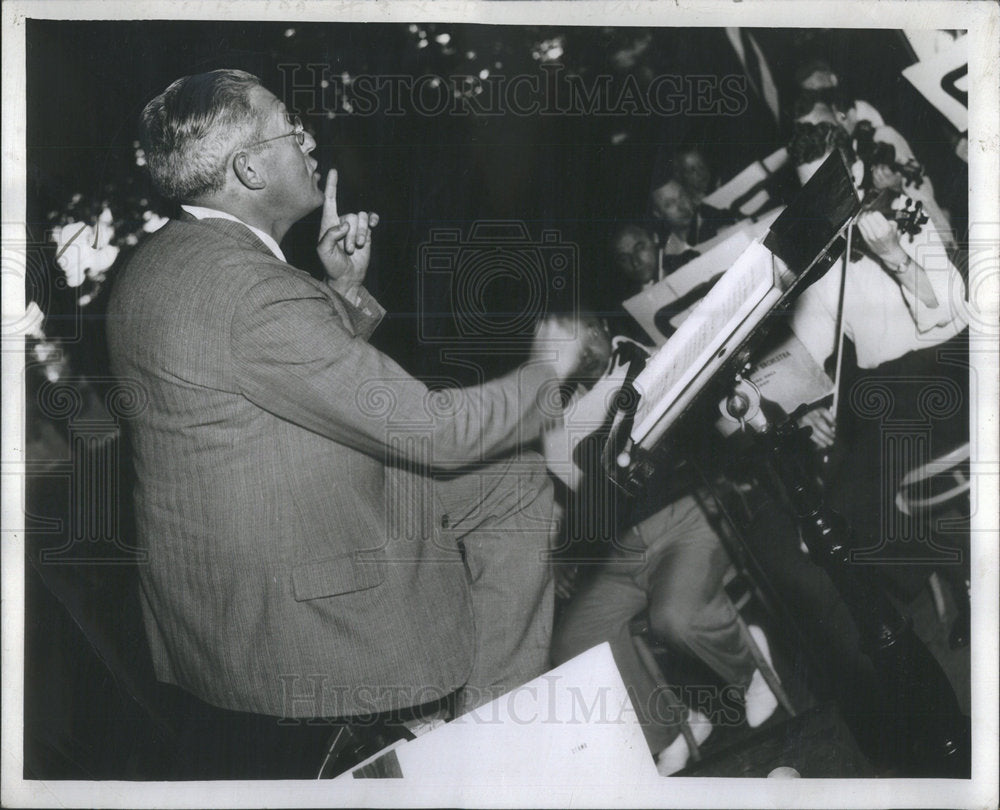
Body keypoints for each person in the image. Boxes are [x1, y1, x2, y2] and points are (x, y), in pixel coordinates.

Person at [106, 69, 584, 724]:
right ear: (248, 170)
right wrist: (548, 370)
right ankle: (489, 738)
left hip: (216, 597)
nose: (307, 137)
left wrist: (339, 290)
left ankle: (480, 718)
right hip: (291, 601)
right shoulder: (247, 289)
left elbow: (262, 379)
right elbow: (432, 431)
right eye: (288, 126)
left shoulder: (162, 261)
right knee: (518, 475)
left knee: (507, 478)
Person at [544, 320, 779, 776]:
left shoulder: (641, 359)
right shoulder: (555, 421)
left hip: (686, 517)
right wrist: (566, 552)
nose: (553, 355)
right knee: (572, 643)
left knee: (676, 617)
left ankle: (750, 666)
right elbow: (585, 501)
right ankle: (671, 730)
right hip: (620, 551)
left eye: (560, 338)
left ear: (596, 331)